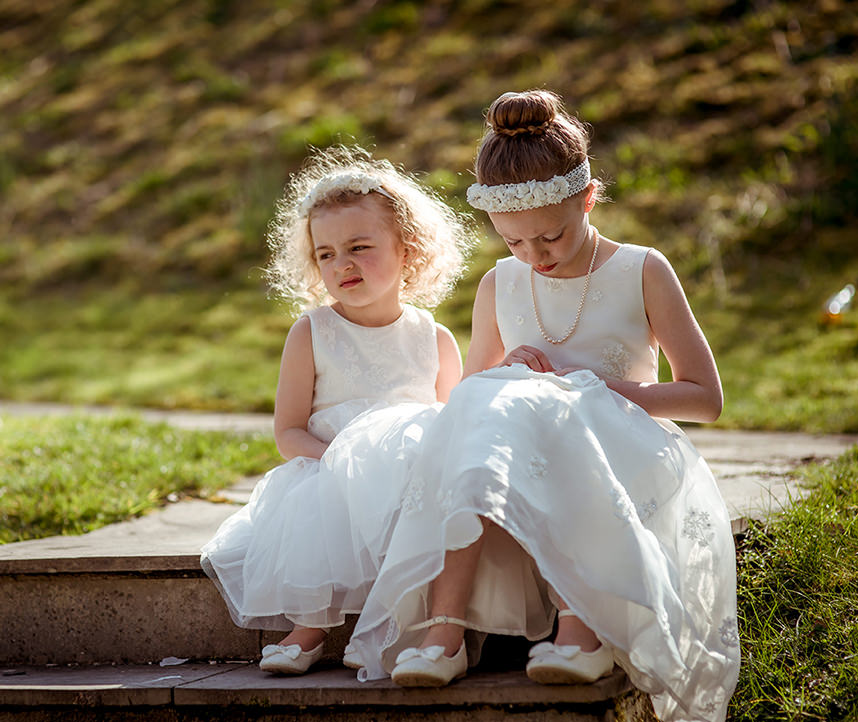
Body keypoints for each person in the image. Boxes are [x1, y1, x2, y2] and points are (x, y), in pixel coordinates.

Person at [349, 90, 739, 722]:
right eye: (514, 241)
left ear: (588, 198)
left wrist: (593, 384)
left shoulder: (642, 269)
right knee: (493, 400)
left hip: (620, 444)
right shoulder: (500, 283)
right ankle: (444, 632)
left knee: (560, 409)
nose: (535, 255)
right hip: (521, 454)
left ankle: (580, 627)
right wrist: (509, 371)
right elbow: (468, 402)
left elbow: (706, 399)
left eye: (552, 235)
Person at [200, 146, 475, 675]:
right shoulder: (313, 332)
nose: (342, 263)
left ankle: (399, 624)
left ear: (409, 251)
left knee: (430, 489)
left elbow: (449, 425)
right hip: (328, 468)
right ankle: (309, 629)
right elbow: (288, 431)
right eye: (325, 253)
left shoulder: (434, 338)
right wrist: (341, 460)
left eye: (359, 247)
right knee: (320, 511)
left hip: (408, 480)